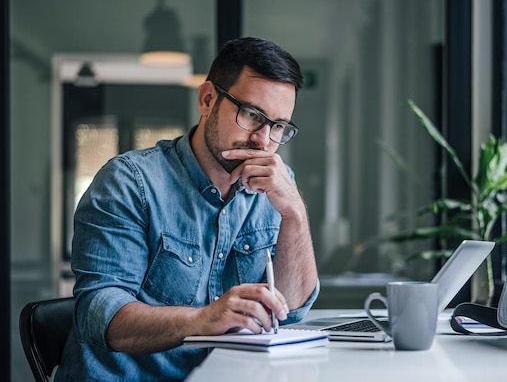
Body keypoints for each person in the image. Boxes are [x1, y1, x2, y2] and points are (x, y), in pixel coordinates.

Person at [54, 37, 319, 381]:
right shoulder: (129, 182)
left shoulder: (277, 186)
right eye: (252, 115)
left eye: (278, 126)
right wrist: (205, 318)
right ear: (208, 99)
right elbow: (102, 316)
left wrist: (294, 212)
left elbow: (292, 313)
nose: (263, 140)